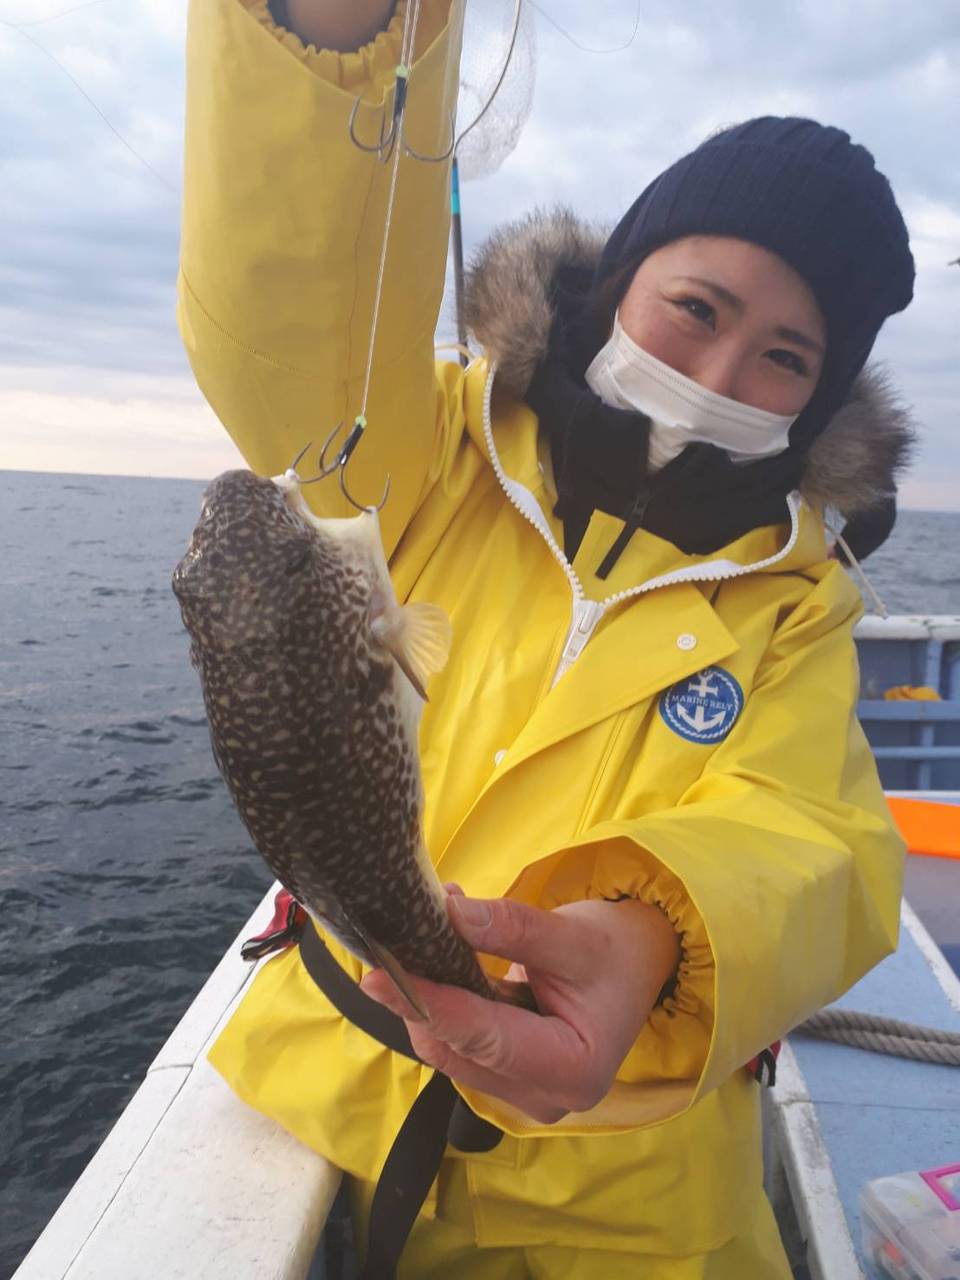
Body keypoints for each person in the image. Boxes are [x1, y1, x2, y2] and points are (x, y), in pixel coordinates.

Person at [177, 2, 916, 1275]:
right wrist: (332, 37)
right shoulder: (421, 446)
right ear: (618, 283)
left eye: (785, 356)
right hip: (329, 1091)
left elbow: (820, 839)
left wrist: (659, 935)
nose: (719, 375)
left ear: (818, 397)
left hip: (637, 1192)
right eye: (695, 306)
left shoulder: (799, 600)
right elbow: (295, 327)